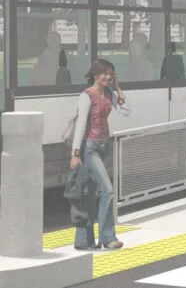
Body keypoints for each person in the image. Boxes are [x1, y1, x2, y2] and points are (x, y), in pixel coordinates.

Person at [69, 58, 126, 250]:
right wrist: (75, 153)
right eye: (105, 74)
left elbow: (126, 112)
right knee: (107, 190)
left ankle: (83, 240)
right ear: (95, 75)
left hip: (104, 147)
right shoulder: (87, 95)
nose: (108, 77)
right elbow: (82, 125)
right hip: (89, 148)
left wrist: (118, 90)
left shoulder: (109, 93)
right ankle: (108, 237)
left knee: (92, 193)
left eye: (111, 74)